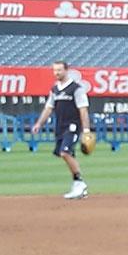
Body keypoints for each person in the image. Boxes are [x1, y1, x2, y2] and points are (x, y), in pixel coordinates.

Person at [28, 60, 90, 199]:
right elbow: (48, 108)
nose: (56, 73)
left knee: (65, 152)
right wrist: (39, 124)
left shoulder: (76, 89)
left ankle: (79, 182)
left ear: (66, 70)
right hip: (60, 127)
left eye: (59, 70)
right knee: (68, 155)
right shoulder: (55, 89)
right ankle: (79, 186)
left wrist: (86, 130)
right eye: (54, 70)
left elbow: (83, 110)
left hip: (73, 126)